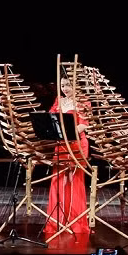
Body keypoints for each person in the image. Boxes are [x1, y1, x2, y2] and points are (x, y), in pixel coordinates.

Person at [44, 74, 90, 236]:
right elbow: (50, 118)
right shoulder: (59, 100)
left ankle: (75, 221)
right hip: (61, 146)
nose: (65, 88)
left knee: (74, 180)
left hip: (77, 144)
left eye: (68, 85)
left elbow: (84, 124)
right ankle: (58, 221)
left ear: (76, 85)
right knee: (59, 181)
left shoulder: (83, 101)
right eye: (63, 85)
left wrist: (69, 133)